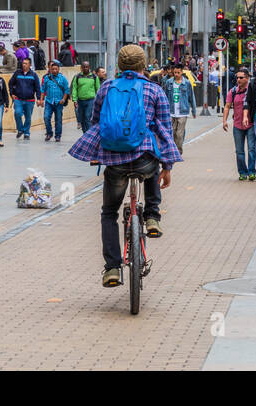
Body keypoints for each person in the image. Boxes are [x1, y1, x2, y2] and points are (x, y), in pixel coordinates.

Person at [68, 44, 181, 288]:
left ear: (119, 66)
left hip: (115, 160)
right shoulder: (154, 89)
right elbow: (165, 129)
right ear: (143, 66)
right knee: (150, 161)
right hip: (143, 159)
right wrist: (167, 166)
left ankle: (112, 269)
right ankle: (152, 217)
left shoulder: (107, 87)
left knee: (109, 212)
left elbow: (96, 121)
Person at [223, 69, 256, 181]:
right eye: (237, 78)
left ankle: (252, 172)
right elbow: (227, 106)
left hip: (251, 124)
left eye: (241, 77)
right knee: (239, 151)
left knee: (251, 149)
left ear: (247, 78)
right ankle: (242, 172)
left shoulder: (252, 90)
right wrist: (224, 121)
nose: (238, 80)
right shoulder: (232, 91)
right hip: (237, 125)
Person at [164, 61, 196, 158]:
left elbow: (191, 97)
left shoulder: (186, 83)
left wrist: (194, 110)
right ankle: (173, 150)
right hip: (171, 112)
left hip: (183, 112)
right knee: (172, 132)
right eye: (175, 73)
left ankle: (178, 152)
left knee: (179, 134)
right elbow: (165, 97)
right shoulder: (169, 82)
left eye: (178, 72)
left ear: (182, 72)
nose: (176, 74)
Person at [8, 57, 42, 140]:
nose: (24, 65)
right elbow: (10, 83)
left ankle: (26, 133)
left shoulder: (33, 75)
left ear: (30, 65)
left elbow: (38, 88)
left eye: (26, 63)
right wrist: (12, 93)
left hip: (30, 100)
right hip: (18, 99)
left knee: (28, 117)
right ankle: (20, 130)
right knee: (17, 113)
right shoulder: (17, 73)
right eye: (23, 63)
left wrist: (38, 99)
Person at [41, 60, 70, 143]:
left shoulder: (63, 78)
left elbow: (66, 90)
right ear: (50, 69)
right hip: (49, 102)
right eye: (52, 69)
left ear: (58, 69)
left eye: (56, 69)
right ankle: (49, 133)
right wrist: (41, 100)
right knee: (46, 117)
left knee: (58, 120)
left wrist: (63, 99)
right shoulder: (47, 78)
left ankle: (58, 135)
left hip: (59, 102)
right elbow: (43, 90)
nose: (54, 71)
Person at [72, 61, 101, 135]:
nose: (85, 68)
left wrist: (98, 100)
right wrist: (74, 100)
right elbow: (74, 88)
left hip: (90, 100)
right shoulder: (77, 77)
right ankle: (85, 133)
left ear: (89, 67)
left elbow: (98, 89)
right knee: (82, 118)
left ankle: (89, 134)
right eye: (84, 67)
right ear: (81, 68)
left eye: (87, 67)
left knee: (87, 117)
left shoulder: (94, 77)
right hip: (80, 100)